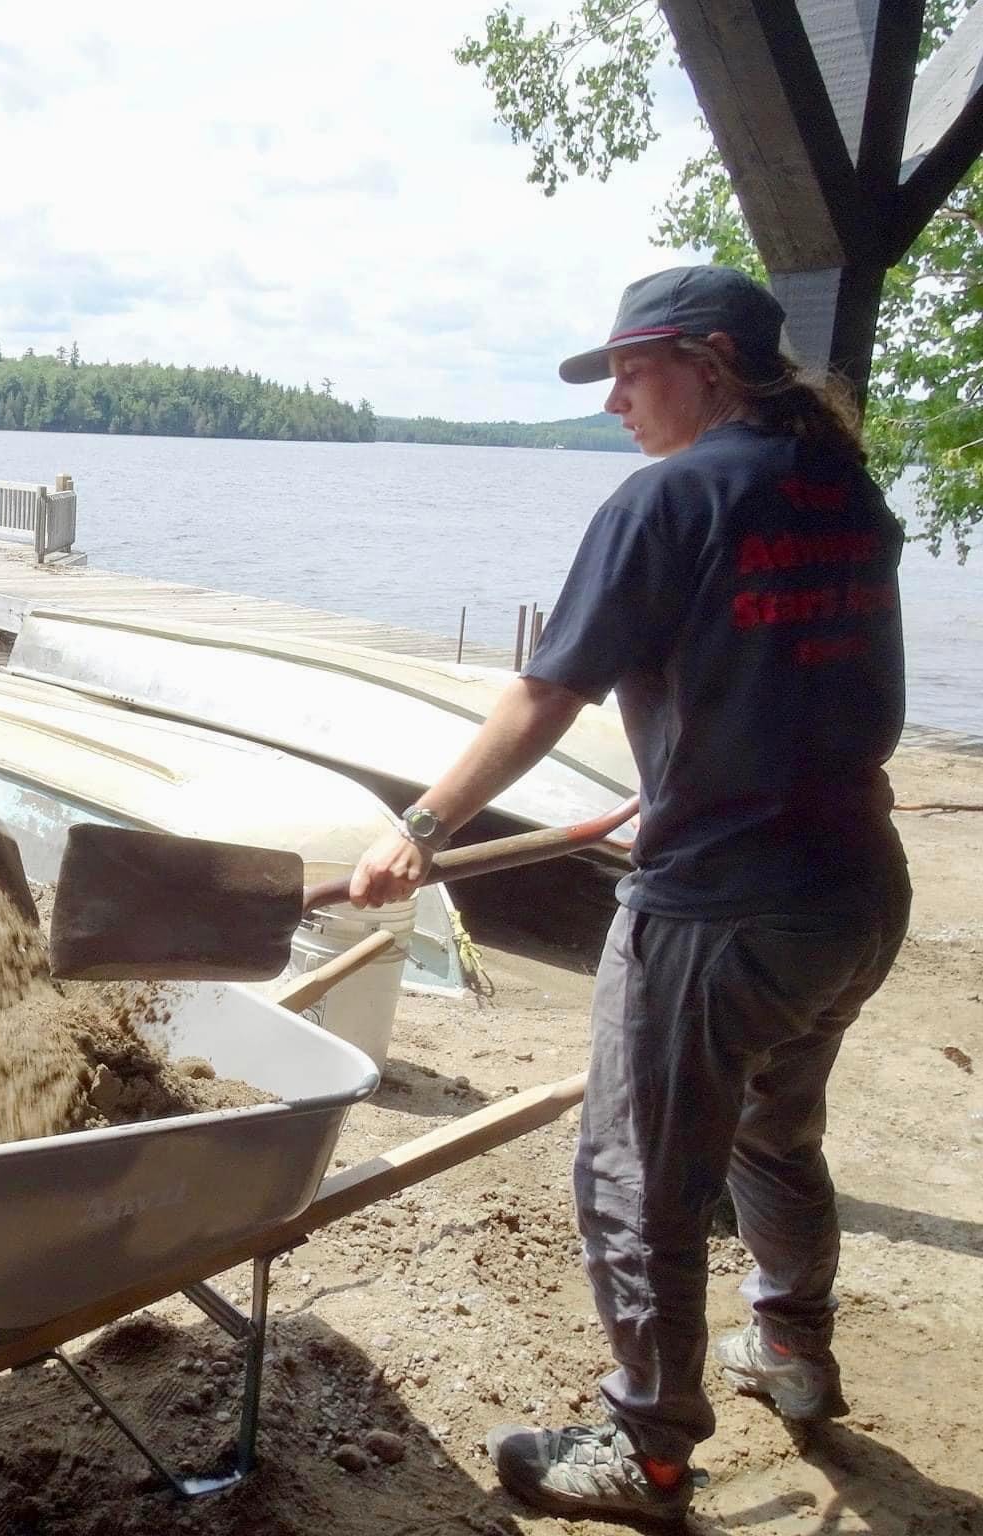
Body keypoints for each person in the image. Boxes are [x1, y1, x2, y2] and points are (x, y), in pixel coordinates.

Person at [347, 266, 910, 1524]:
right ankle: (792, 1352)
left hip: (716, 914)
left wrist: (421, 830)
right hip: (853, 892)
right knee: (775, 1134)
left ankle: (646, 1451)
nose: (611, 400)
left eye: (627, 368)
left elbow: (544, 695)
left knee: (636, 1174)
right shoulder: (840, 488)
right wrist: (706, 773)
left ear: (709, 361)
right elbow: (818, 672)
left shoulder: (666, 497)